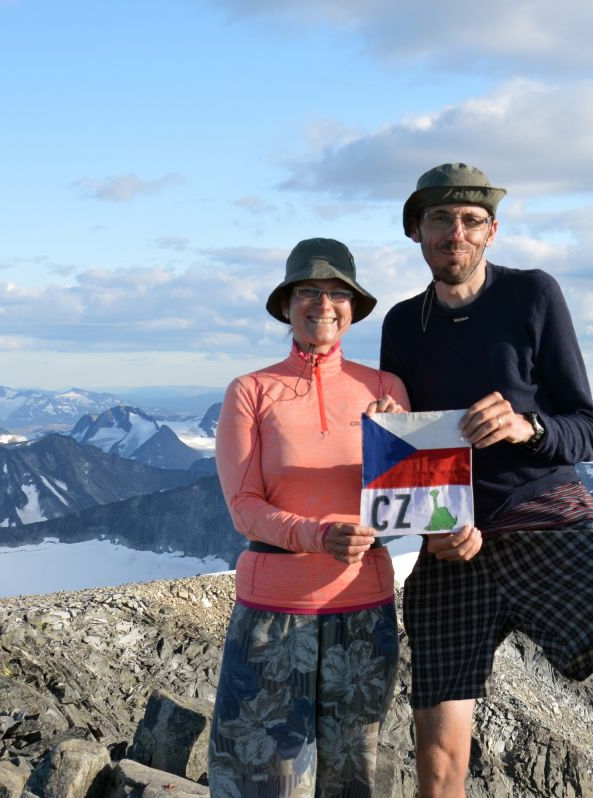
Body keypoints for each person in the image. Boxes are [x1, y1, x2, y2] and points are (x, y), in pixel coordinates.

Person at [380, 164, 593, 798]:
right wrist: (436, 530)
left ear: (492, 231)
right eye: (441, 220)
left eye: (471, 220)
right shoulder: (401, 325)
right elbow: (407, 445)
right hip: (457, 544)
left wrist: (526, 427)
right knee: (441, 761)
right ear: (416, 232)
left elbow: (587, 429)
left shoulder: (532, 295)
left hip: (552, 518)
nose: (457, 232)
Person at [209, 238, 409, 797]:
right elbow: (244, 509)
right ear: (286, 305)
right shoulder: (251, 391)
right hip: (274, 612)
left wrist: (394, 447)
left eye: (338, 293)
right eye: (309, 291)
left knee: (353, 782)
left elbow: (401, 510)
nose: (324, 303)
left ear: (353, 307)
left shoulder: (385, 389)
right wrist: (317, 534)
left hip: (364, 611)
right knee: (264, 783)